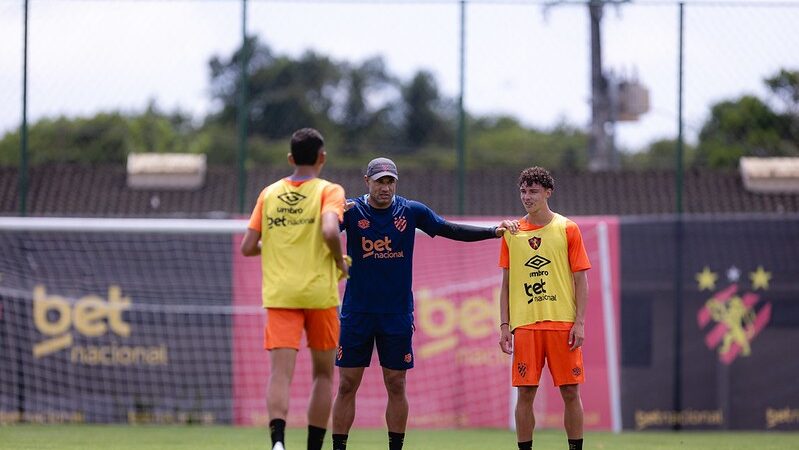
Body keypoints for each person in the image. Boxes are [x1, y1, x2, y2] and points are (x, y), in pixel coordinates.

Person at [330, 157, 517, 450]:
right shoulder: (351, 211)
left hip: (396, 315)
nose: (385, 187)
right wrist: (328, 215)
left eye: (390, 181)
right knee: (346, 385)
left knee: (396, 383)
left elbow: (450, 229)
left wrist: (492, 231)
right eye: (380, 181)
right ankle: (339, 447)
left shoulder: (412, 211)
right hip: (357, 313)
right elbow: (320, 234)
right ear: (367, 181)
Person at [240, 128, 349, 450]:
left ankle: (278, 443)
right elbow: (331, 230)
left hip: (281, 294)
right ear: (322, 158)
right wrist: (339, 262)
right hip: (319, 294)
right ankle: (314, 446)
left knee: (280, 375)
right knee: (323, 375)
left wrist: (276, 244)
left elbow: (248, 246)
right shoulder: (329, 190)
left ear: (290, 158)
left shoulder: (269, 193)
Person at [498, 166, 591, 450]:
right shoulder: (511, 233)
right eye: (523, 191)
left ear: (548, 192)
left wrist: (580, 322)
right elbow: (506, 285)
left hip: (562, 324)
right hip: (525, 326)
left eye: (533, 191)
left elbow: (580, 279)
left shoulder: (568, 229)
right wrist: (505, 326)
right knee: (524, 393)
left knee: (570, 392)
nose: (527, 197)